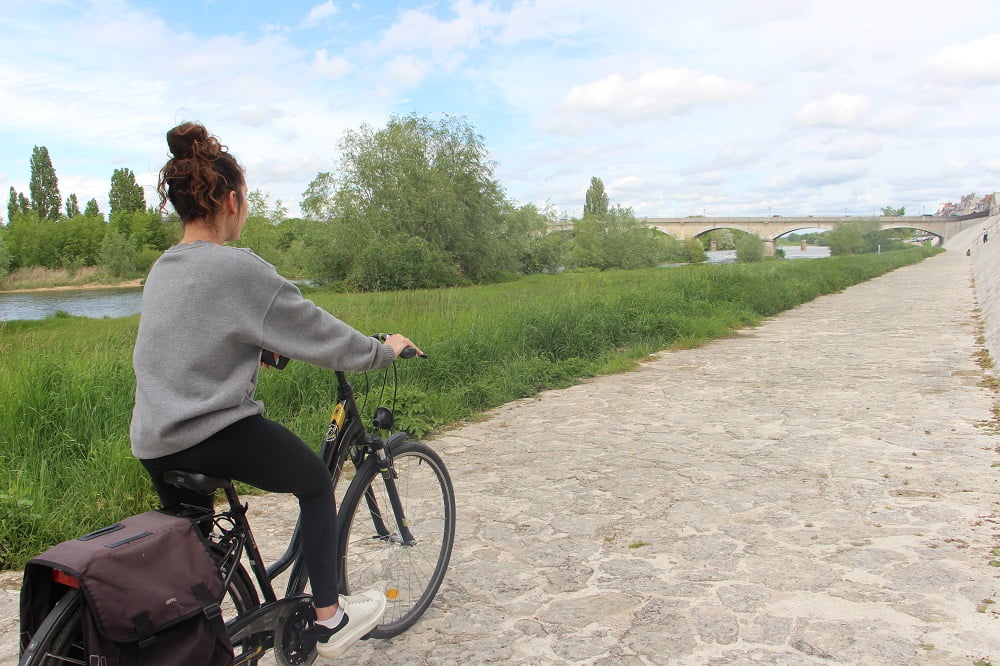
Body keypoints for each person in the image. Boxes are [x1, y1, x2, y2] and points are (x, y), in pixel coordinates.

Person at [129, 121, 421, 659]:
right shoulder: (238, 268)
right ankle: (330, 618)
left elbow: (190, 337)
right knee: (314, 483)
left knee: (198, 561)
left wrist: (260, 347)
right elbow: (318, 330)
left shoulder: (163, 268)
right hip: (209, 431)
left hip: (154, 439)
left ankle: (199, 640)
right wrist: (382, 350)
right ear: (232, 200)